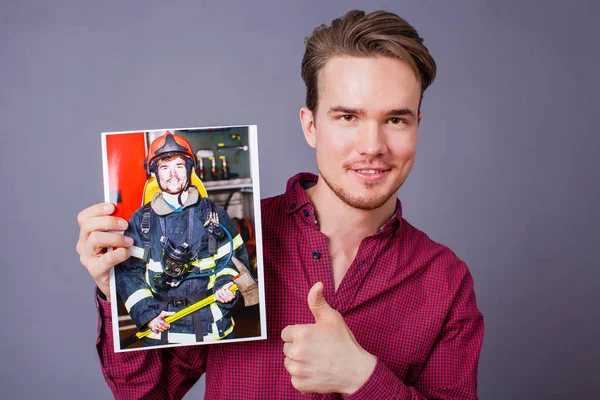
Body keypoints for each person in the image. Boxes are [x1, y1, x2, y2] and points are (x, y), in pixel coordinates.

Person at [77, 9, 484, 399]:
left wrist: (362, 378)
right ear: (311, 125)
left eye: (396, 119)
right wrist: (113, 289)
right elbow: (150, 393)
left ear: (417, 126)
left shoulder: (445, 282)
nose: (372, 147)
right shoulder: (249, 235)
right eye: (347, 117)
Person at [115, 131, 250, 346]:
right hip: (161, 331)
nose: (172, 174)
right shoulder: (141, 220)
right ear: (155, 173)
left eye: (179, 166)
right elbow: (129, 273)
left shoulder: (213, 215)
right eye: (164, 167)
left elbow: (235, 260)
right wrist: (147, 313)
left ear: (189, 169)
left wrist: (226, 287)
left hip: (214, 330)